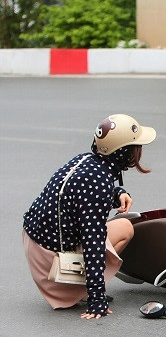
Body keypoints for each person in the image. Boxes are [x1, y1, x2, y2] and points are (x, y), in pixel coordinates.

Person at [22, 114, 156, 319]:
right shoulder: (98, 182)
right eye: (136, 146)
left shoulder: (85, 161)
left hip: (37, 247)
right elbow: (93, 243)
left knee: (109, 228)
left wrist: (118, 193)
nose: (140, 150)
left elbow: (78, 197)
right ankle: (81, 291)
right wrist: (97, 300)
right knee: (125, 229)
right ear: (123, 152)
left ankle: (83, 287)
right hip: (54, 268)